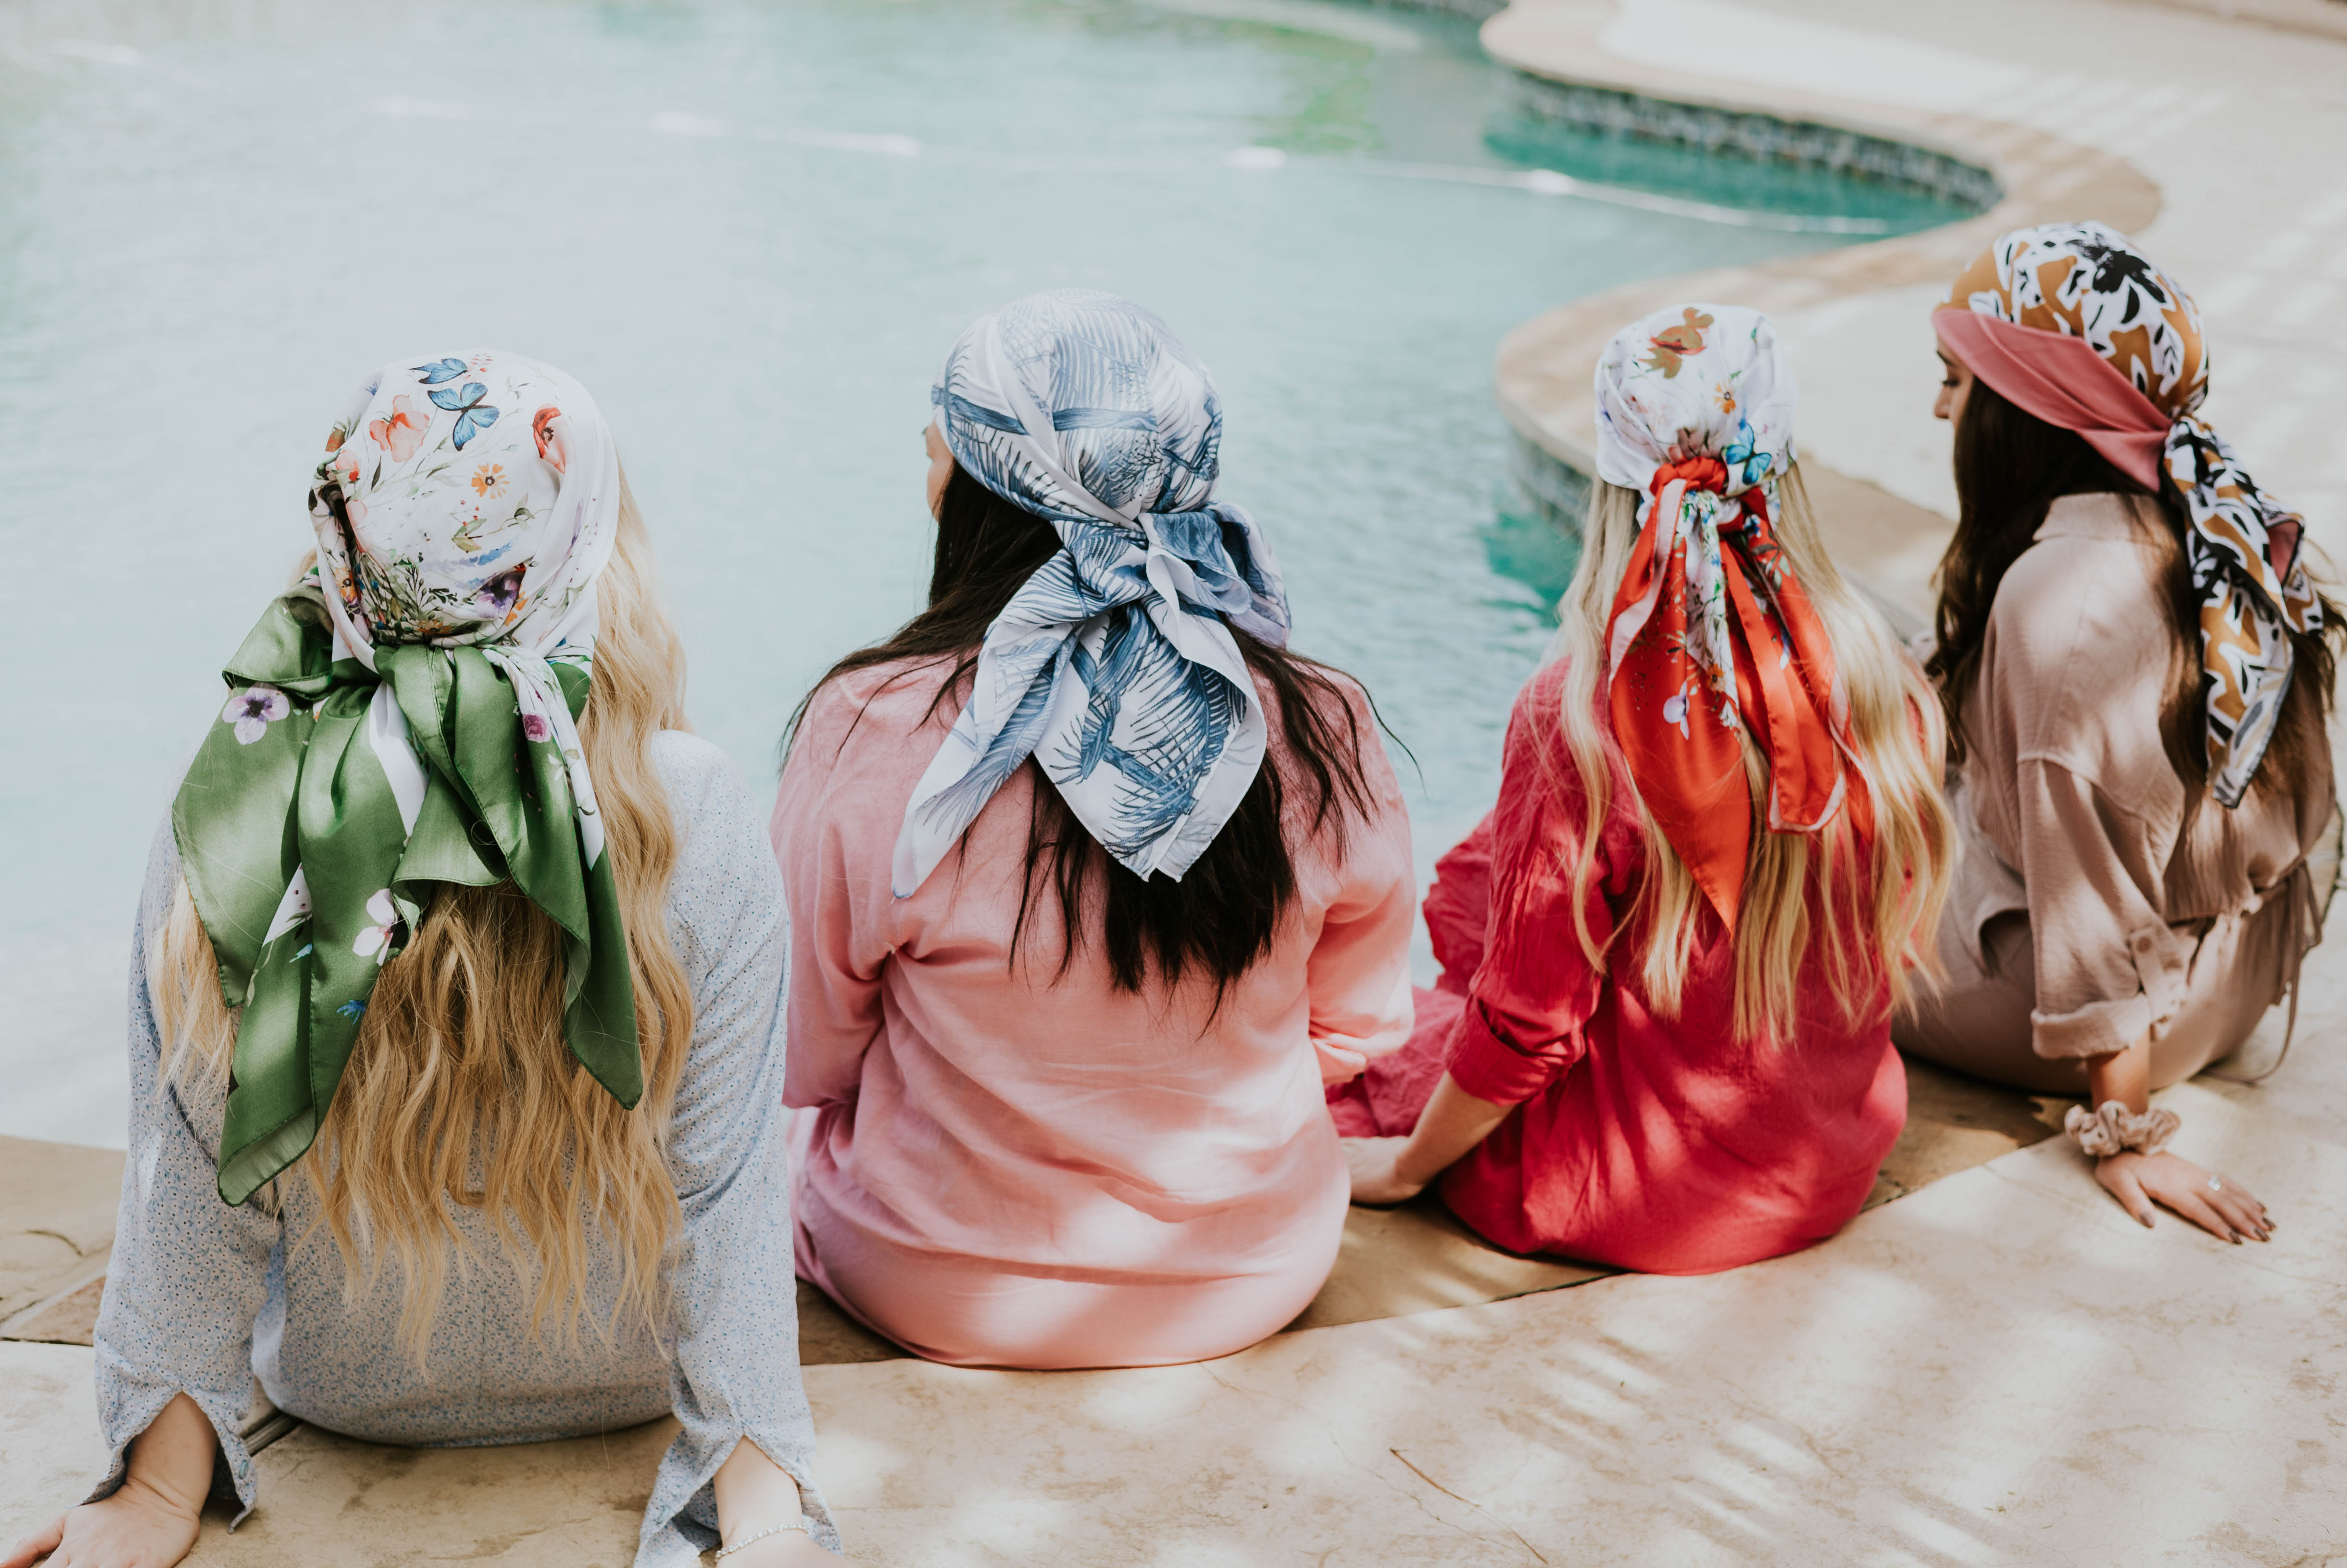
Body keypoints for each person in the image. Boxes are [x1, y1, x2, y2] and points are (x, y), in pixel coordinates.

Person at [2, 354, 842, 1568]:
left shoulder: (241, 802)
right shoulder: (683, 808)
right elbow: (725, 1193)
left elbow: (191, 1179)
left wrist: (152, 1493)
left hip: (345, 1387)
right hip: (626, 1374)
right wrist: (765, 1518)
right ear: (584, 552)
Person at [773, 289, 1416, 1369]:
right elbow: (1358, 1027)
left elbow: (804, 1052)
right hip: (1251, 1271)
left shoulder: (872, 724)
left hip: (937, 1275)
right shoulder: (1321, 717)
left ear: (979, 496)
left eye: (938, 455)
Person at [1336, 303, 1955, 1275]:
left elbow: (1527, 1026)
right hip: (1825, 1161)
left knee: (1357, 1050)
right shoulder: (1877, 670)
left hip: (1633, 1195)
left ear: (1610, 472)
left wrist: (1406, 1171)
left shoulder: (1581, 717)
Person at [1894, 222, 2341, 1243]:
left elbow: (2087, 889)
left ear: (2026, 405)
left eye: (1956, 381)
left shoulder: (2060, 605)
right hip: (2232, 978)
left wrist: (2124, 1129)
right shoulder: (2214, 523)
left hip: (2069, 1023)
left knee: (1773, 845)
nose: (1937, 407)